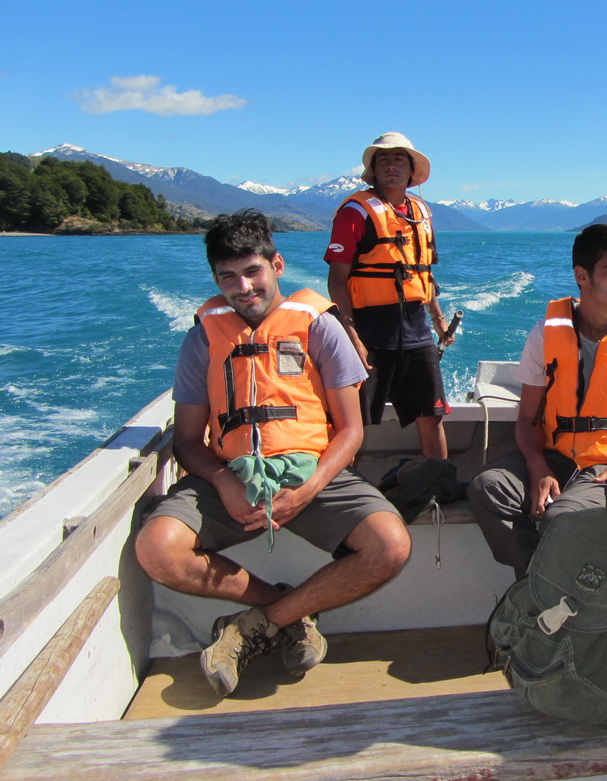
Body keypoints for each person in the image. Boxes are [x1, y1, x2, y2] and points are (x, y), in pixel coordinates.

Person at [135, 211, 411, 697]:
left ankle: (257, 625)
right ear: (215, 279)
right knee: (157, 550)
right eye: (227, 277)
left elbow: (350, 432)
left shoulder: (320, 329)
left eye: (252, 271)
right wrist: (221, 481)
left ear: (276, 264)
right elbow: (186, 441)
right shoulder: (203, 338)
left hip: (311, 473)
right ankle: (286, 611)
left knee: (390, 545)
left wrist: (306, 491)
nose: (242, 287)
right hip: (228, 476)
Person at [468, 223, 607, 577]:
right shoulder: (546, 334)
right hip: (554, 456)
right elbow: (528, 418)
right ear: (582, 276)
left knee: (563, 518)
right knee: (488, 488)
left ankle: (544, 594)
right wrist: (537, 465)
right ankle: (538, 585)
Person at [325, 132, 453, 460]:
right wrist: (351, 336)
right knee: (351, 422)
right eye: (383, 159)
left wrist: (438, 320)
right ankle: (343, 494)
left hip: (416, 328)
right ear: (373, 169)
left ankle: (436, 483)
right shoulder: (356, 212)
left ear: (412, 170)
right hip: (369, 331)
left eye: (399, 159)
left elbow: (423, 273)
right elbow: (337, 282)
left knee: (431, 414)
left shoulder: (421, 214)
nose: (391, 165)